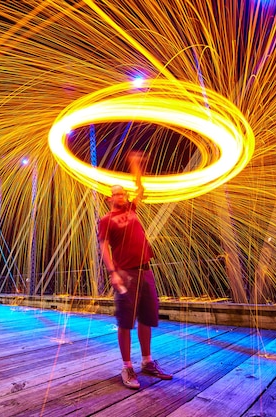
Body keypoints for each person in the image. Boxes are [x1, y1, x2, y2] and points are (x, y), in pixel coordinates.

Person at [98, 152, 172, 389]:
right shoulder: (106, 220)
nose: (120, 196)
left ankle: (147, 362)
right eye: (116, 193)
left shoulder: (132, 209)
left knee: (147, 319)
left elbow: (141, 188)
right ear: (110, 198)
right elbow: (103, 247)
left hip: (145, 270)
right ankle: (127, 366)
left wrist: (135, 166)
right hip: (125, 273)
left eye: (122, 192)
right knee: (125, 322)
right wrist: (113, 272)